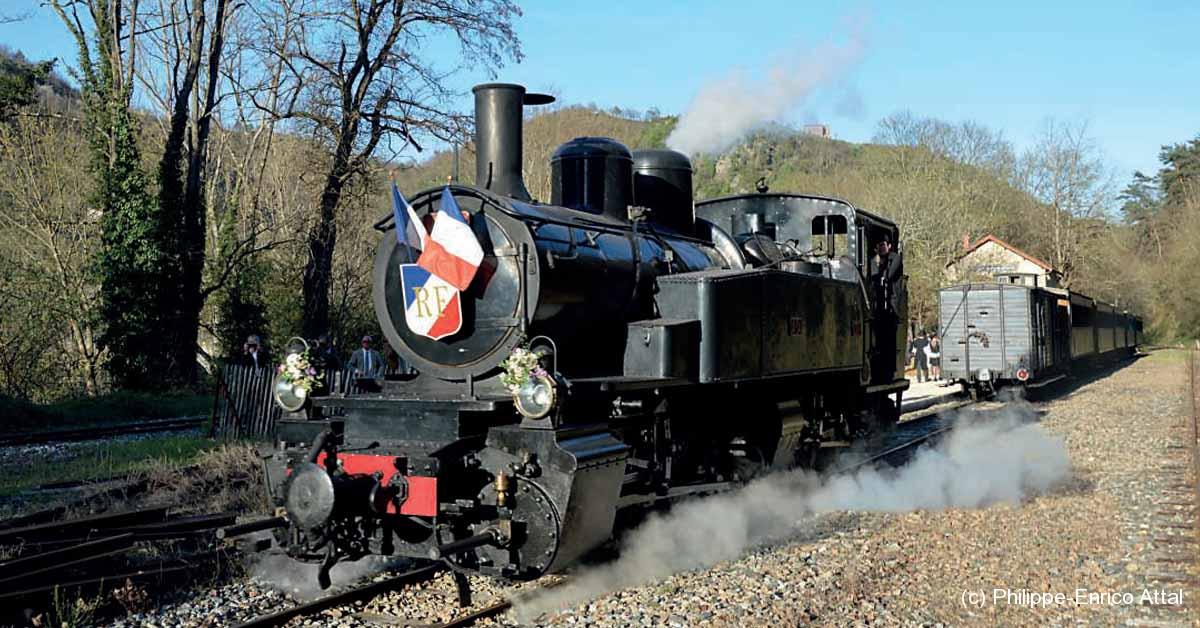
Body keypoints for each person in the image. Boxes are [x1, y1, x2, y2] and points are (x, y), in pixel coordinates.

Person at [868, 236, 903, 383]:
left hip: (891, 306)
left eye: (883, 245)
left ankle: (888, 371)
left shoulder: (895, 258)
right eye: (878, 245)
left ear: (889, 246)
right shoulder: (874, 261)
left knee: (888, 340)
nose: (881, 248)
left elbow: (887, 276)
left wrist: (880, 265)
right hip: (877, 306)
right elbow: (872, 276)